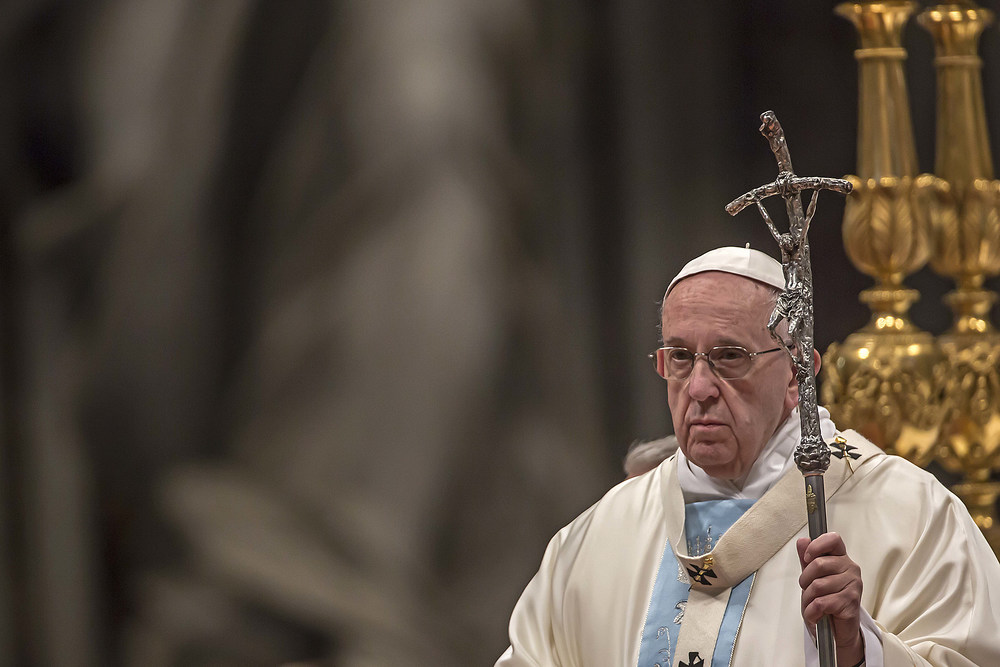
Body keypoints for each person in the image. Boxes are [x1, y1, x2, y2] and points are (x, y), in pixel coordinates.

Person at [496, 246, 1000, 666]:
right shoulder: (594, 540)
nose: (698, 388)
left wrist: (861, 652)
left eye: (729, 357)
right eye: (678, 357)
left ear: (798, 373)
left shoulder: (910, 517)